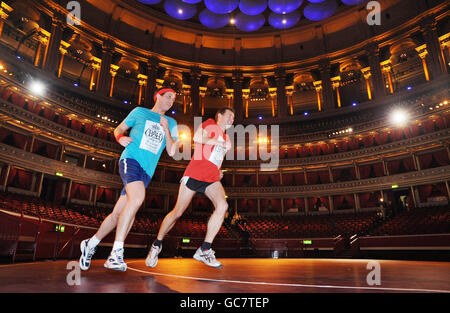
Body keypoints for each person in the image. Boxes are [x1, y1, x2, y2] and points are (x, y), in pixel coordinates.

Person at [79, 88, 179, 272]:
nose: (171, 100)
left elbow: (172, 151)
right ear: (158, 96)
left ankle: (90, 244)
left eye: (174, 99)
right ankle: (116, 254)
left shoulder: (171, 123)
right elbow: (119, 129)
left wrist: (166, 129)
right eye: (168, 96)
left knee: (120, 213)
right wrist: (120, 138)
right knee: (137, 199)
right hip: (131, 159)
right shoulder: (140, 112)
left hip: (147, 172)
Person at [146, 107, 235, 269]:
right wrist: (218, 142)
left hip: (212, 178)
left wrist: (218, 170)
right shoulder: (210, 124)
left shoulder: (227, 138)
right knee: (177, 212)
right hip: (195, 173)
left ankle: (204, 249)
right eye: (229, 116)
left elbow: (214, 157)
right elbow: (198, 137)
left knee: (223, 206)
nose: (232, 119)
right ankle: (156, 245)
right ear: (219, 116)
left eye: (233, 118)